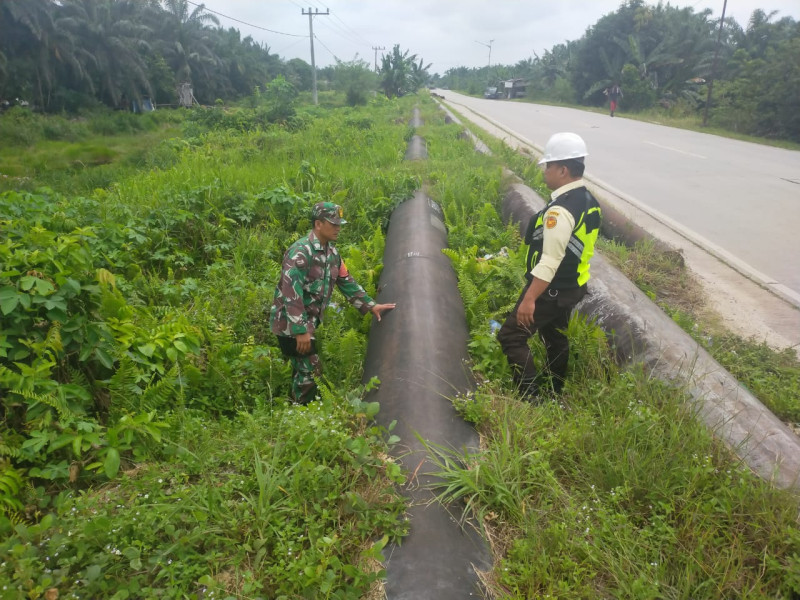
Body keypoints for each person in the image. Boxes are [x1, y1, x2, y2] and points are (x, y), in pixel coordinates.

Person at [497, 132, 602, 401]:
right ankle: (555, 391)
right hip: (573, 285)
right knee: (555, 337)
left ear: (563, 170)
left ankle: (531, 398)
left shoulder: (560, 211)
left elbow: (550, 261)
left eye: (549, 166)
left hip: (551, 289)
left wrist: (530, 299)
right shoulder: (588, 200)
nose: (545, 171)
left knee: (511, 337)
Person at [270, 201, 396, 404]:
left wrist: (371, 305)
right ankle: (301, 412)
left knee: (303, 368)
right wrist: (300, 331)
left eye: (339, 224)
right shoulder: (300, 253)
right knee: (311, 371)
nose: (338, 228)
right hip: (290, 324)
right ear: (318, 224)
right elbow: (291, 294)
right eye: (333, 224)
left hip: (308, 324)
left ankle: (295, 405)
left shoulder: (332, 254)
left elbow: (346, 282)